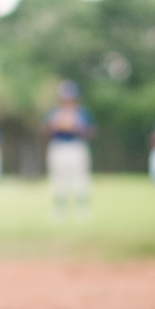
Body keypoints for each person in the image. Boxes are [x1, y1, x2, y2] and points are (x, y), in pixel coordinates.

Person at [45, 80, 94, 218]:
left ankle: (82, 207)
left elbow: (91, 131)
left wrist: (76, 127)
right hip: (59, 146)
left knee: (80, 177)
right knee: (57, 178)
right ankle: (58, 208)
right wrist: (56, 125)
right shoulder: (54, 112)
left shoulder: (82, 113)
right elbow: (46, 130)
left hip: (77, 146)